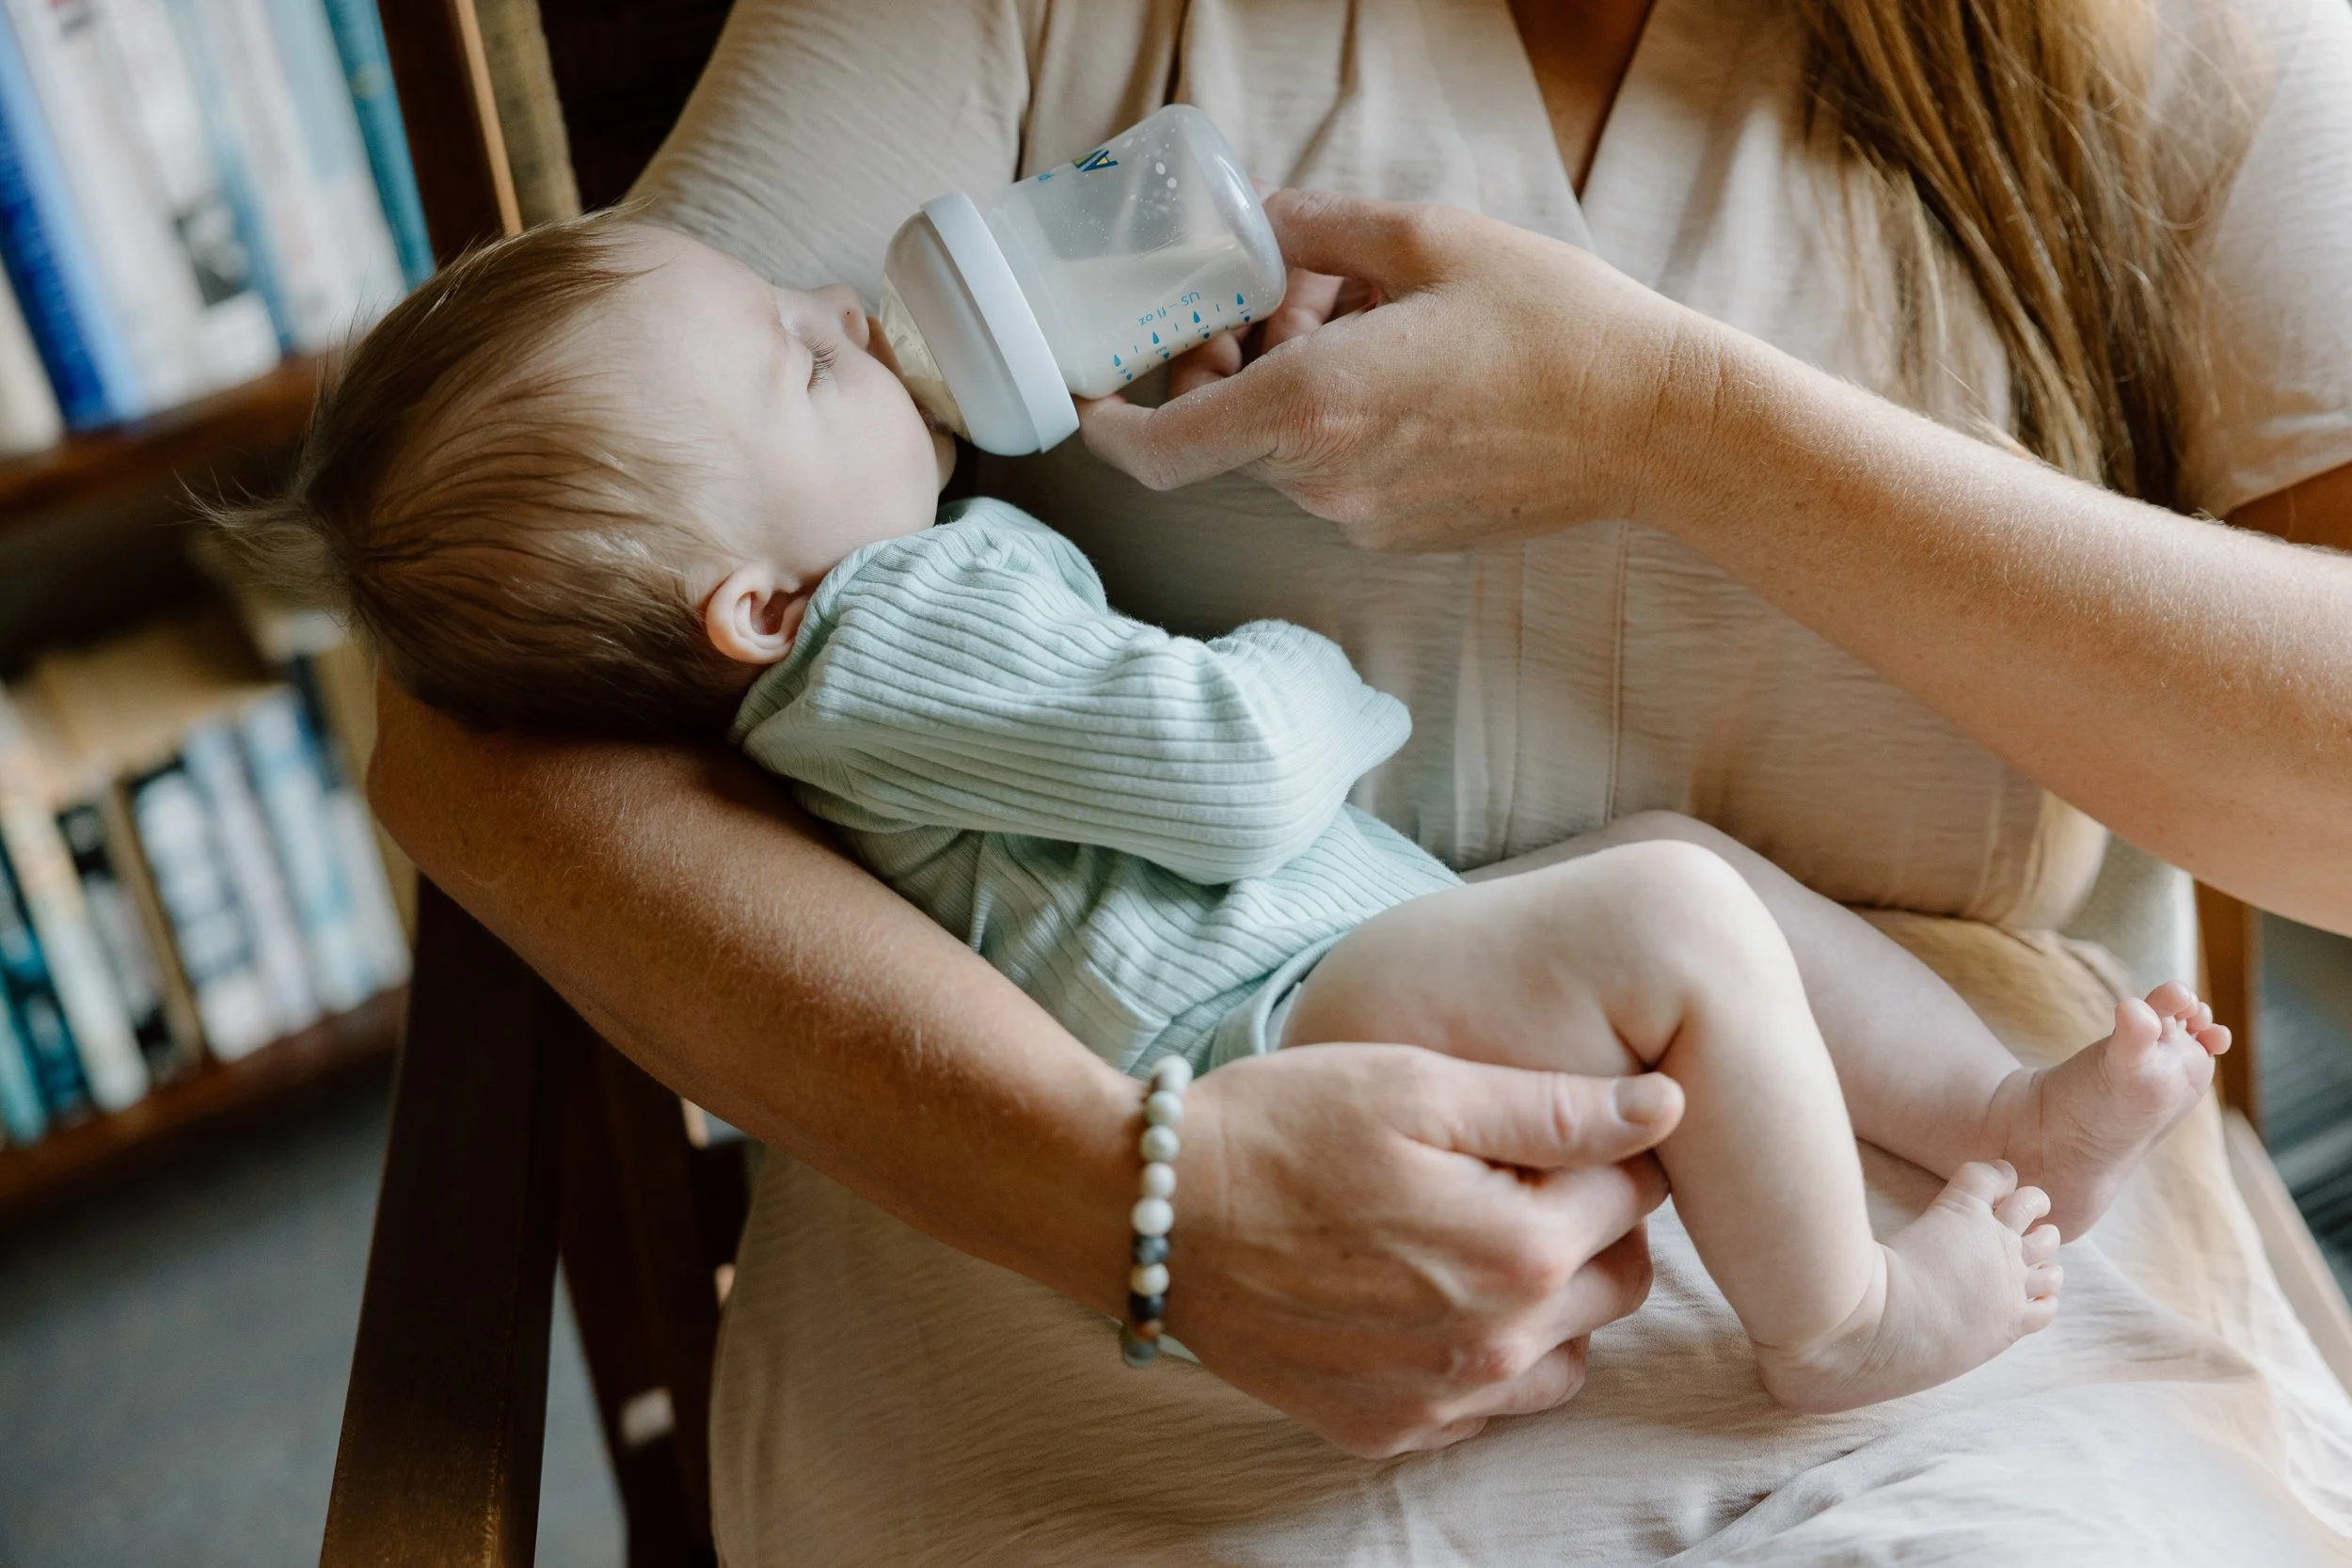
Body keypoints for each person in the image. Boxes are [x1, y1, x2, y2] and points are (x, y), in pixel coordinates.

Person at [367, 0, 2352, 1559]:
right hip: (1112, 1268)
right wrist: (1131, 1199)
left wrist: (1677, 423)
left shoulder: (2184, 50)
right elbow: (491, 726)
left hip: (1936, 1237)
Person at [230, 213, 2242, 1412]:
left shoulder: (847, 634)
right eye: (791, 360)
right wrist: (1319, 666)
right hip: (1274, 1028)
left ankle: (1983, 1115)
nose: (843, 314)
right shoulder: (902, 622)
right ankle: (1845, 1316)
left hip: (1313, 959)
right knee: (1679, 922)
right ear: (751, 604)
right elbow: (1227, 767)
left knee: (1686, 878)